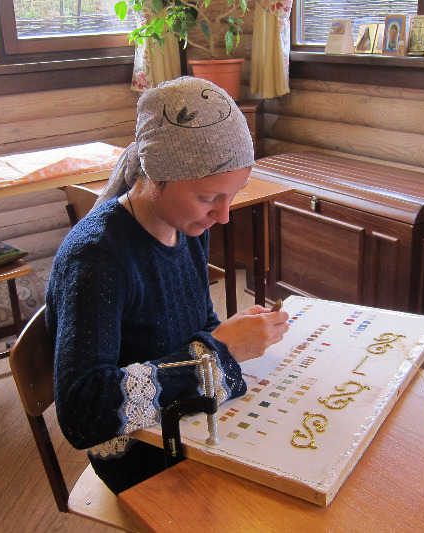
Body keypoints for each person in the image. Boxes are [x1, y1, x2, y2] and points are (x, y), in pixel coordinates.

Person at [44, 76, 290, 495]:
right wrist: (218, 354)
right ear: (156, 175)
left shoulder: (186, 227)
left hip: (185, 422)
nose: (224, 216)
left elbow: (198, 323)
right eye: (208, 198)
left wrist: (226, 337)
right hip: (140, 452)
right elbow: (83, 412)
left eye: (233, 195)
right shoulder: (97, 257)